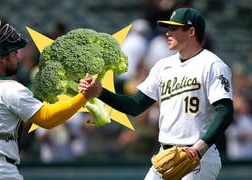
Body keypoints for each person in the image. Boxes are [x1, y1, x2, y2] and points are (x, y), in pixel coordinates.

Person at [79, 8, 233, 180]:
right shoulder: (163, 66)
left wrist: (199, 148)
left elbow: (225, 111)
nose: (167, 33)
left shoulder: (212, 65)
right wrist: (100, 93)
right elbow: (136, 105)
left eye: (174, 28)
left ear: (191, 31)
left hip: (197, 156)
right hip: (165, 155)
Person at [0, 18, 99, 180]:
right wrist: (85, 96)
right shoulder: (10, 88)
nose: (18, 56)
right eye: (13, 52)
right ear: (2, 58)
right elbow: (47, 118)